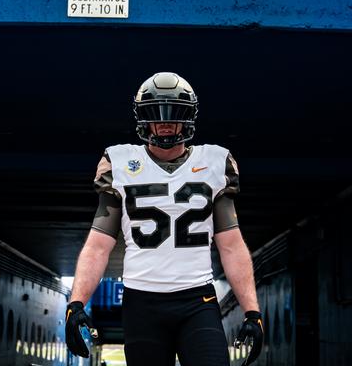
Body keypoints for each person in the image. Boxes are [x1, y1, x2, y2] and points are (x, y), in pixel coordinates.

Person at [65, 72, 264, 366]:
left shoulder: (213, 163)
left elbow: (231, 244)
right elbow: (98, 245)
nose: (166, 122)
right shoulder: (119, 163)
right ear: (143, 119)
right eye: (157, 114)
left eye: (175, 114)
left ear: (189, 118)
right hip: (142, 302)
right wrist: (76, 302)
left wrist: (252, 310)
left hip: (198, 299)